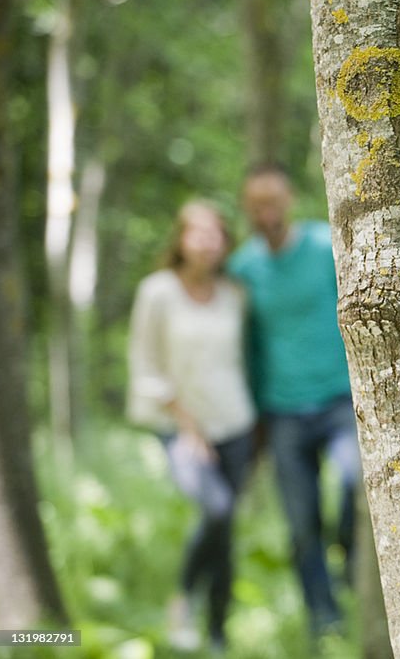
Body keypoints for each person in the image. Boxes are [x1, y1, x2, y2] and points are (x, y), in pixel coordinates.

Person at [228, 164, 360, 637]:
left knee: (354, 486)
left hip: (339, 399)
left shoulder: (325, 245)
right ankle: (323, 617)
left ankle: (351, 563)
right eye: (257, 204)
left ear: (289, 199)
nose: (267, 212)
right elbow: (240, 343)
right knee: (302, 524)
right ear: (248, 209)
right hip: (282, 411)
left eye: (274, 201)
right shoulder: (243, 268)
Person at [127, 201, 256, 652]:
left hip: (236, 423)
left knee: (224, 531)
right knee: (216, 510)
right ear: (180, 239)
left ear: (226, 243)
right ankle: (182, 602)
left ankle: (217, 631)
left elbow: (242, 362)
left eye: (216, 233)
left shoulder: (234, 293)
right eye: (197, 232)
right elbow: (145, 364)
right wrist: (188, 427)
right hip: (178, 426)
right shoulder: (156, 291)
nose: (207, 241)